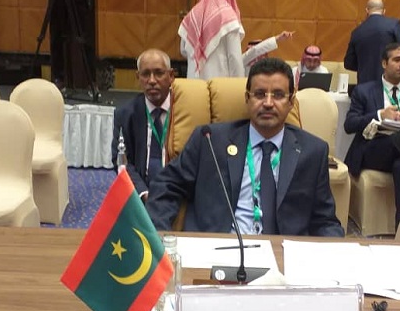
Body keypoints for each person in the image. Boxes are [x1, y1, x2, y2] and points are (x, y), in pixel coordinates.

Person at [146, 57, 344, 237]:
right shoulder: (210, 140)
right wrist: (159, 238)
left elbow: (324, 220)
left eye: (278, 95)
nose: (268, 103)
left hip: (283, 255)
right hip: (218, 249)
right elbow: (166, 185)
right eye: (259, 94)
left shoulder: (312, 151)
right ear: (247, 99)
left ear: (291, 102)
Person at [344, 43, 400, 229]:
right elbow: (350, 124)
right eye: (397, 60)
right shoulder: (364, 91)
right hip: (372, 149)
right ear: (384, 63)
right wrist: (380, 115)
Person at [111, 48, 174, 200]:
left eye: (159, 73)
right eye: (145, 74)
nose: (152, 80)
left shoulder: (184, 110)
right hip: (142, 195)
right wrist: (143, 193)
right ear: (138, 77)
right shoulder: (125, 114)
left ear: (171, 76)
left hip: (176, 193)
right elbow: (121, 160)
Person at [179, 0, 245, 79]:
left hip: (193, 82)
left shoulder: (192, 16)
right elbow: (234, 57)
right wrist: (239, 84)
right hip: (219, 85)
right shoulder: (228, 17)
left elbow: (183, 50)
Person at [344, 0, 400, 85]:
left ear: (367, 10)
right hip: (390, 82)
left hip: (365, 85)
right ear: (384, 11)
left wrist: (365, 66)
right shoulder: (394, 25)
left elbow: (349, 63)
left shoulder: (357, 31)